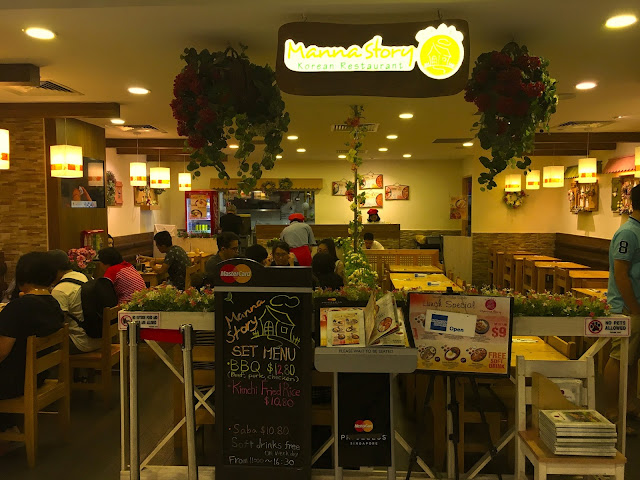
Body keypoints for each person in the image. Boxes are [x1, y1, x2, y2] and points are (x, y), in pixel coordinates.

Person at [0, 253, 64, 419]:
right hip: (38, 375)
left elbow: (1, 352)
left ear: (22, 276)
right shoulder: (53, 304)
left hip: (14, 381)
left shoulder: (18, 308)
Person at [605, 184, 640, 426]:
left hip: (635, 306)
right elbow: (620, 273)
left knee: (632, 359)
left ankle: (629, 405)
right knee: (619, 358)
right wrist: (634, 307)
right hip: (627, 307)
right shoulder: (628, 232)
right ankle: (611, 410)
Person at [48, 250, 101, 354]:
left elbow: (56, 323)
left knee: (39, 345)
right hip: (99, 339)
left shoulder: (60, 290)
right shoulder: (86, 277)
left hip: (80, 343)